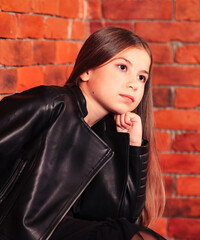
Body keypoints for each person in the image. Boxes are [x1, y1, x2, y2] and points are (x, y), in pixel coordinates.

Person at [0, 27, 166, 240]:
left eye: (142, 77)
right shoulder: (50, 103)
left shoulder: (107, 133)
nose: (134, 84)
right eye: (122, 67)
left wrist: (133, 146)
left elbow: (123, 219)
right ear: (86, 71)